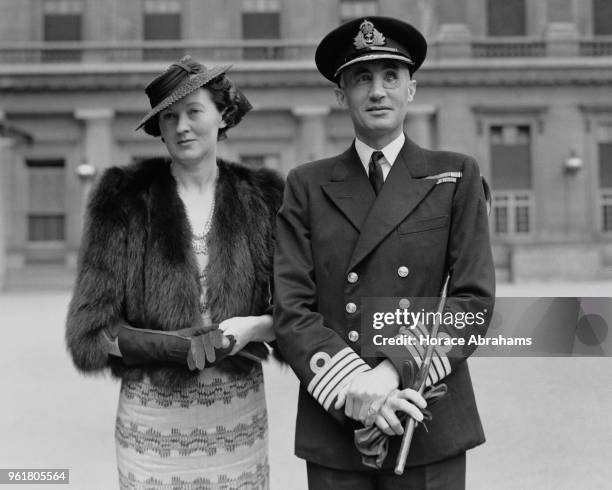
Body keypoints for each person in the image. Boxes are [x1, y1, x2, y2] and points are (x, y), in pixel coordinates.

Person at [273, 17, 495, 490]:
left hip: (424, 414)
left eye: (391, 77)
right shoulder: (307, 185)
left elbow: (472, 301)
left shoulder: (455, 177)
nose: (377, 91)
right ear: (341, 95)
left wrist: (393, 368)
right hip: (338, 417)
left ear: (411, 89)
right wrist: (358, 386)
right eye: (361, 79)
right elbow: (292, 308)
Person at [66, 56, 284, 489]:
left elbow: (297, 309)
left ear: (222, 115)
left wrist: (251, 329)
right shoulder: (122, 198)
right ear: (159, 128)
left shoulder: (264, 197)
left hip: (236, 420)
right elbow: (89, 333)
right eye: (169, 117)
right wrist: (165, 347)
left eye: (193, 112)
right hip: (153, 423)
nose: (182, 126)